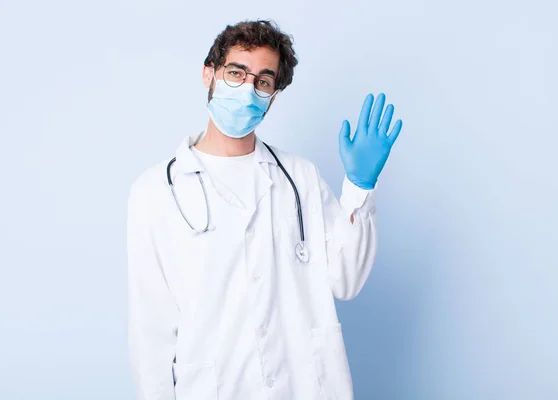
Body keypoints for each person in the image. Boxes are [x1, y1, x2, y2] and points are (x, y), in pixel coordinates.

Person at [127, 19, 402, 400]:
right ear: (209, 74)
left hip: (302, 387)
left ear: (272, 95)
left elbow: (347, 280)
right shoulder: (155, 191)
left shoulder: (299, 178)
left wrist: (360, 187)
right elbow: (151, 330)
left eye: (262, 81)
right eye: (236, 73)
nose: (247, 89)